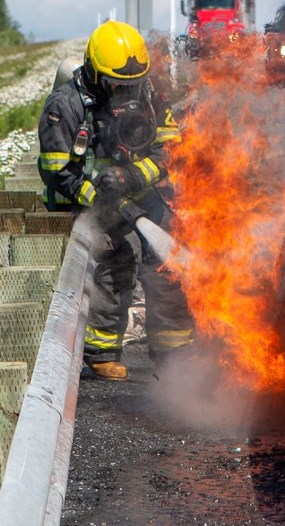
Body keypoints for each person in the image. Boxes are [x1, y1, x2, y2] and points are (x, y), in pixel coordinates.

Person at [36, 21, 194, 380]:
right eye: (116, 85)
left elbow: (170, 150)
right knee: (116, 259)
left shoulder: (150, 93)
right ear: (94, 72)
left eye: (131, 84)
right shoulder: (65, 106)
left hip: (142, 194)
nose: (125, 93)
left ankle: (174, 352)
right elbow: (57, 171)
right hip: (88, 198)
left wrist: (134, 177)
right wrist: (99, 195)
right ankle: (102, 352)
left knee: (167, 265)